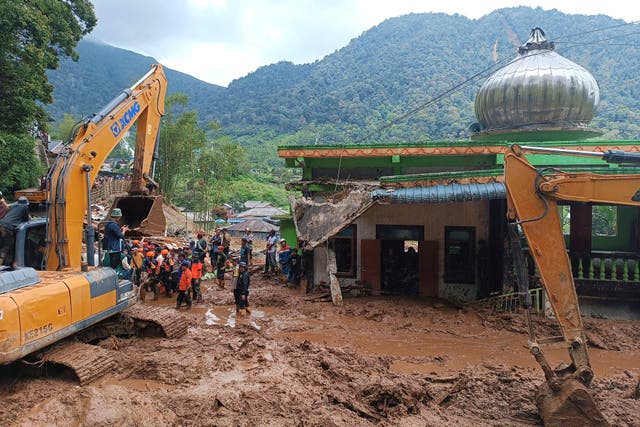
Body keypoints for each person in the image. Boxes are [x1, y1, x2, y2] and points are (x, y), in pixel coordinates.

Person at [0, 196, 31, 267]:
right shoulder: (25, 207)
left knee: (2, 245)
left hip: (1, 224)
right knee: (6, 247)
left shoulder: (13, 206)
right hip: (7, 228)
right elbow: (26, 221)